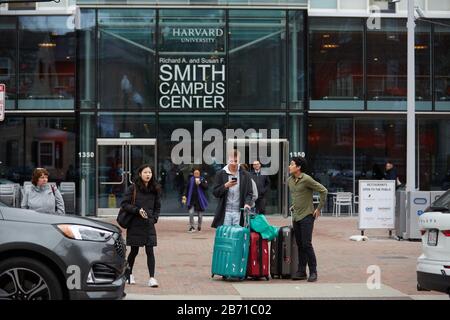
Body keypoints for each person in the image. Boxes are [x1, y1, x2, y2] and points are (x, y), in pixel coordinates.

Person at [120, 164, 161, 288]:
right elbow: (124, 204)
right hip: (135, 224)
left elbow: (157, 207)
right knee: (134, 251)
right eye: (145, 172)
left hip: (148, 224)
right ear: (140, 174)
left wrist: (154, 219)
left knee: (150, 250)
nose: (148, 175)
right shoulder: (133, 189)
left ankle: (152, 278)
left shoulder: (155, 189)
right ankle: (129, 273)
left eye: (149, 172)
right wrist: (137, 211)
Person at [288, 157, 327, 282]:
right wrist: (294, 205)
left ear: (298, 167)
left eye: (292, 164)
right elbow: (297, 196)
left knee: (306, 244)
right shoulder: (290, 180)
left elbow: (323, 190)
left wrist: (318, 208)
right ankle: (301, 271)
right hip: (296, 216)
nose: (289, 166)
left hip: (307, 216)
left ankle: (313, 271)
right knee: (299, 245)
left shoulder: (306, 179)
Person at [211, 149, 253, 228]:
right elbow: (215, 192)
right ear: (228, 160)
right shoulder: (220, 174)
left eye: (236, 161)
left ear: (239, 160)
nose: (234, 163)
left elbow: (249, 193)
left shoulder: (246, 175)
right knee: (226, 236)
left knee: (237, 237)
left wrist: (247, 204)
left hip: (239, 212)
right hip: (225, 213)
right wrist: (225, 186)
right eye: (231, 161)